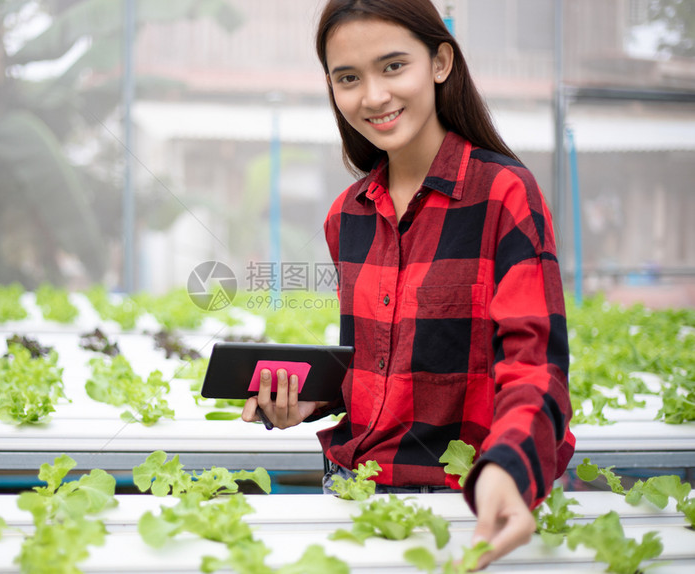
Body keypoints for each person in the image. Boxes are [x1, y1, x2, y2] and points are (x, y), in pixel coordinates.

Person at [241, 0, 575, 568]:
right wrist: (308, 401)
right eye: (349, 78)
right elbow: (380, 366)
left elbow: (536, 366)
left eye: (393, 66)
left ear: (441, 62)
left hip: (469, 501)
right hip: (352, 491)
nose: (372, 96)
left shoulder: (504, 194)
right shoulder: (346, 214)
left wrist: (509, 469)